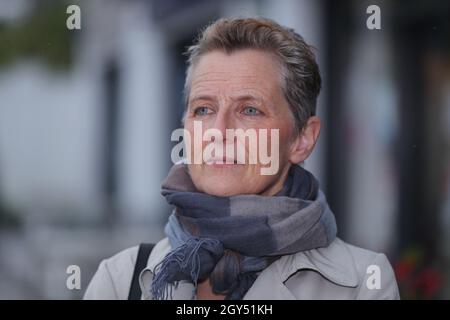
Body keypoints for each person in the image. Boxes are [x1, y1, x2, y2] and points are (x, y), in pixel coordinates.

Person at [84, 17, 400, 300]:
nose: (219, 132)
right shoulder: (121, 280)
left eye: (249, 110)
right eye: (203, 109)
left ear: (302, 139)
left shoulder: (362, 283)